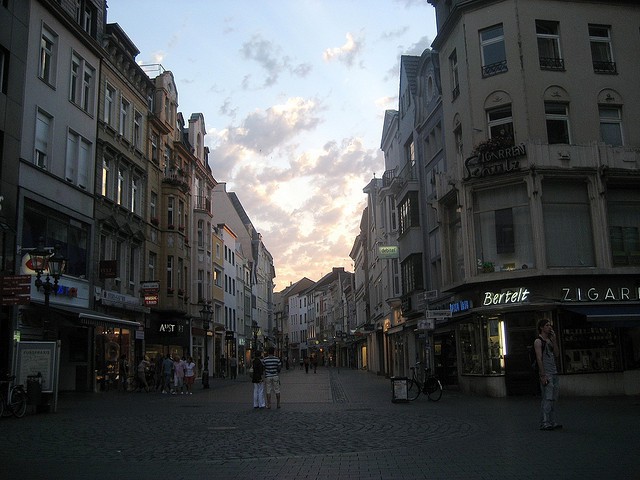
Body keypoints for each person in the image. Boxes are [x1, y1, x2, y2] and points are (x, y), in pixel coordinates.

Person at [535, 318, 562, 431]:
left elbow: (556, 354)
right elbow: (539, 358)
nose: (549, 327)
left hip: (554, 371)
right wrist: (542, 374)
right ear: (541, 328)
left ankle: (552, 421)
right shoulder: (538, 341)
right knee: (547, 397)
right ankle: (545, 422)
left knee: (553, 398)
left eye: (550, 325)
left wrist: (554, 341)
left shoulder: (550, 341)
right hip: (547, 373)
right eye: (546, 325)